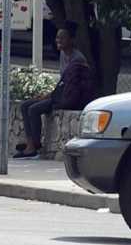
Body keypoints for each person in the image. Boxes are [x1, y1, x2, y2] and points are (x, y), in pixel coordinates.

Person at [17, 24, 93, 159]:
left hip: (68, 98)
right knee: (25, 105)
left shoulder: (77, 59)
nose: (58, 40)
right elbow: (63, 82)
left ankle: (34, 147)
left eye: (62, 38)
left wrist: (51, 96)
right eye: (57, 37)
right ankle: (30, 143)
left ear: (71, 40)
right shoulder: (63, 54)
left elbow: (71, 86)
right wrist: (48, 94)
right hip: (61, 93)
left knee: (34, 109)